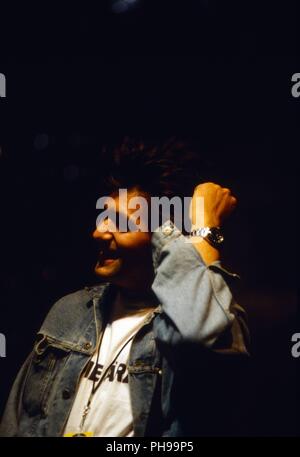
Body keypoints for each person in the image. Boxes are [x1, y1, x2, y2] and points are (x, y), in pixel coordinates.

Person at [0, 139, 249, 437]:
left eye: (118, 221)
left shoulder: (207, 319)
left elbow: (199, 334)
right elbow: (15, 421)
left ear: (165, 238)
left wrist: (205, 231)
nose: (98, 232)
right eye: (102, 218)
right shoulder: (70, 310)